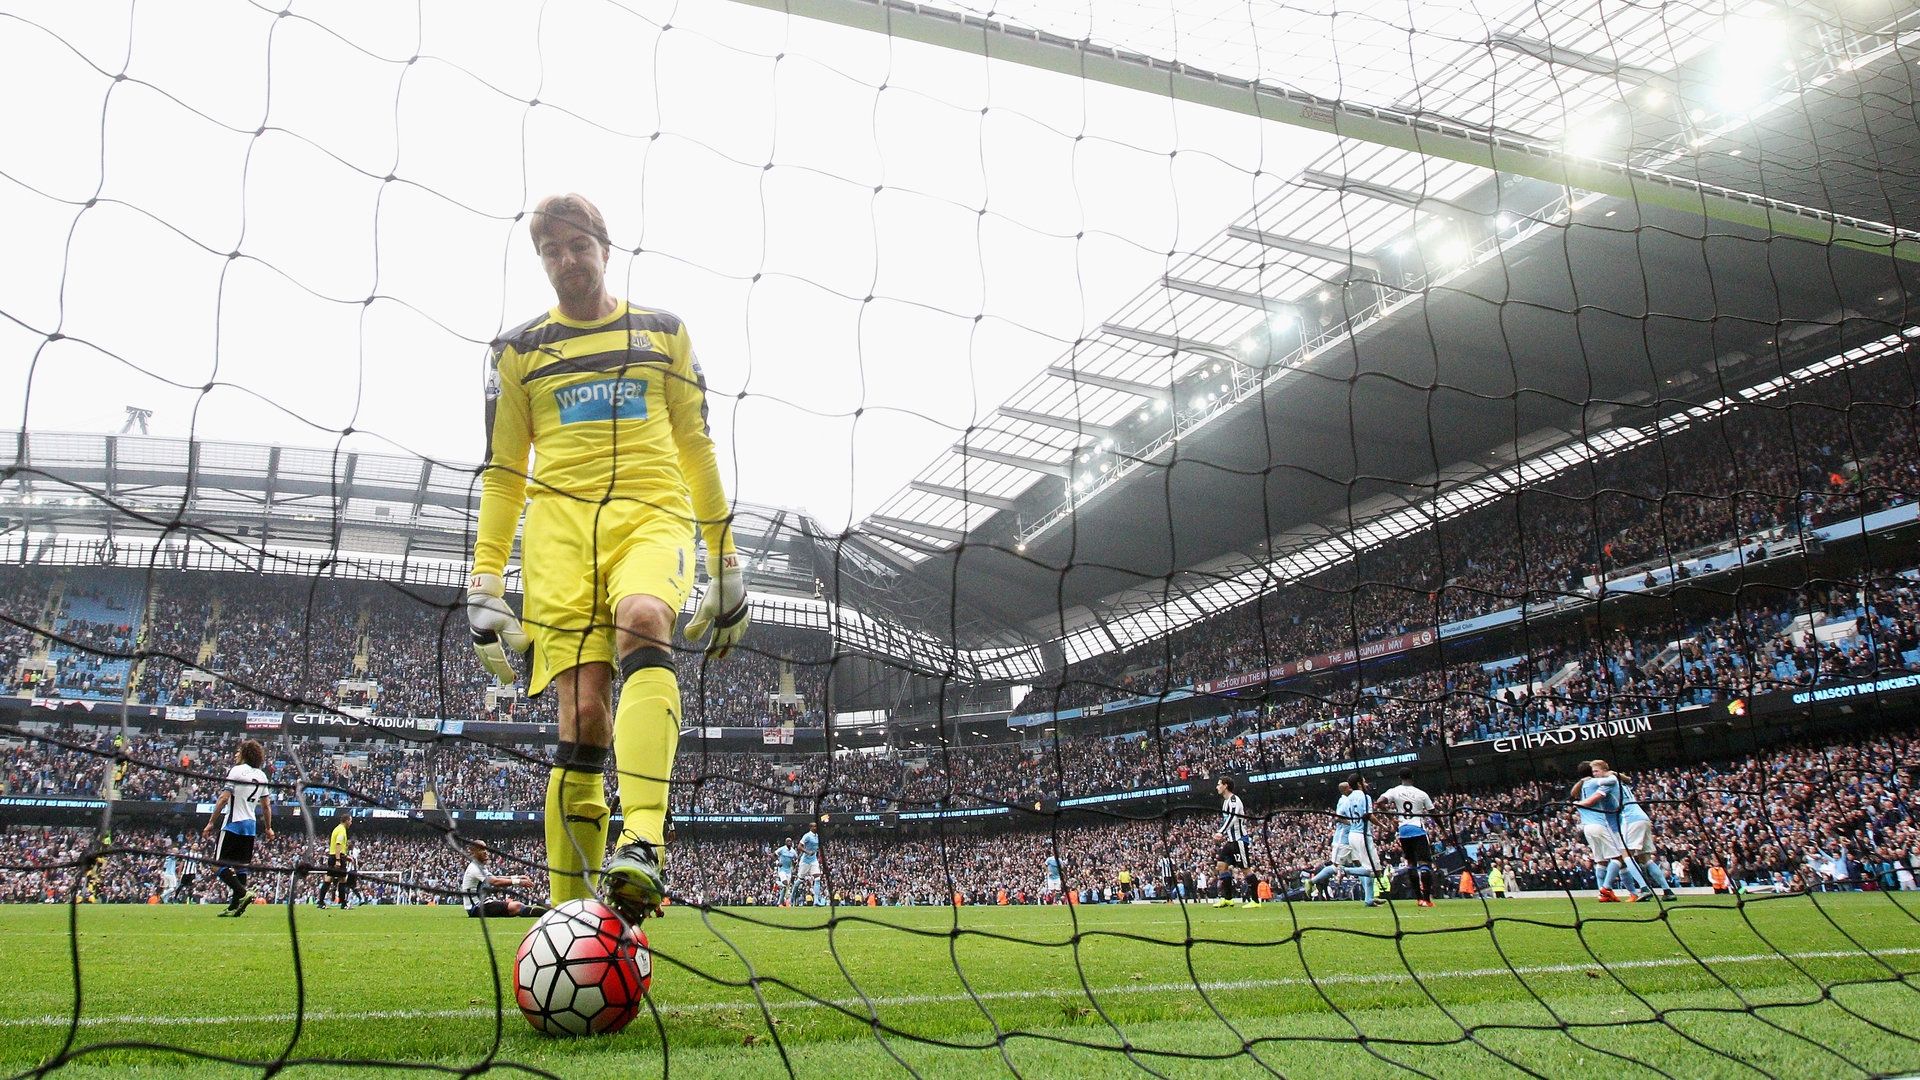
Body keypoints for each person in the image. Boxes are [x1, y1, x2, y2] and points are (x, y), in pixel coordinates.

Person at [464, 193, 751, 923]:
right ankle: (567, 919)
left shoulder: (664, 333)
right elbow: (503, 471)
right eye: (550, 249)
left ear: (605, 247)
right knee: (581, 712)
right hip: (560, 534)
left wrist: (726, 562)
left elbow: (698, 448)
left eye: (577, 245)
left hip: (650, 514)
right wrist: (485, 581)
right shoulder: (518, 351)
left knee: (646, 615)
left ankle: (644, 842)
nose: (566, 260)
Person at [201, 739, 272, 917]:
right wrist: (269, 828)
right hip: (250, 825)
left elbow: (224, 798)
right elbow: (266, 806)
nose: (236, 754)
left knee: (217, 866)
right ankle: (234, 907)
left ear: (245, 754)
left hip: (233, 823)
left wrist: (211, 822)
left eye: (238, 752)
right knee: (240, 868)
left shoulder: (237, 771)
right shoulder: (262, 776)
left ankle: (242, 893)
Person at [1572, 760, 1640, 902]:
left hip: (1587, 827)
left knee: (1601, 861)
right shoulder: (1595, 783)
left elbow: (1573, 793)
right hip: (1601, 825)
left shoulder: (1582, 785)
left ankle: (1602, 893)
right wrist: (1614, 773)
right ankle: (1608, 890)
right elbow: (1612, 780)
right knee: (1618, 858)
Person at [1311, 776, 1381, 906]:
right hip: (1345, 838)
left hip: (1353, 836)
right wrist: (1354, 822)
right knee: (1337, 867)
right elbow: (1338, 817)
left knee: (1363, 867)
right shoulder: (1347, 800)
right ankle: (1312, 881)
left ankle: (1369, 898)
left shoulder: (1350, 799)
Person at [1376, 769, 1437, 907]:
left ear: (1399, 777)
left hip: (1403, 831)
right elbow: (1434, 813)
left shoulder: (1394, 791)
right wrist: (1444, 830)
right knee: (1425, 864)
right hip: (1418, 829)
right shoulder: (1421, 793)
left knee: (1411, 864)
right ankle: (1427, 899)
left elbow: (1379, 802)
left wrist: (1391, 818)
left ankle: (1419, 899)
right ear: (1413, 777)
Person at [461, 842, 538, 918]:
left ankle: (546, 914)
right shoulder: (475, 868)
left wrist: (518, 877)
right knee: (517, 906)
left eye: (485, 849)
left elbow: (495, 878)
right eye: (481, 849)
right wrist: (519, 882)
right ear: (473, 853)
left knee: (514, 905)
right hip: (476, 908)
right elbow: (495, 882)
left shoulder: (478, 866)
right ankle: (546, 915)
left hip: (482, 904)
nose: (485, 852)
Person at [1212, 776, 1250, 908]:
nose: (1217, 787)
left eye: (1218, 784)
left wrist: (1220, 831)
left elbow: (1233, 818)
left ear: (1225, 785)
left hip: (1239, 840)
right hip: (1230, 841)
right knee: (1221, 866)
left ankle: (1255, 900)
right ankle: (1228, 899)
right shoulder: (1225, 802)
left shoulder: (1234, 800)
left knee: (1245, 870)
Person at [321, 813, 353, 909]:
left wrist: (346, 856)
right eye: (350, 821)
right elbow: (338, 844)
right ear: (346, 821)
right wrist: (339, 860)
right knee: (342, 879)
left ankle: (320, 902)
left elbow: (337, 846)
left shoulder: (337, 829)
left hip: (333, 855)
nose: (351, 823)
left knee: (329, 878)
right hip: (337, 857)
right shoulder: (341, 830)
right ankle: (343, 904)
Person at [796, 824, 823, 906]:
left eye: (816, 826)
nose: (816, 828)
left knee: (817, 879)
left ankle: (816, 901)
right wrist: (807, 852)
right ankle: (792, 897)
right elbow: (799, 846)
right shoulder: (807, 836)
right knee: (800, 880)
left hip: (813, 860)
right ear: (810, 828)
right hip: (805, 861)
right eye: (814, 826)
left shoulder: (817, 836)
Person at [774, 837, 797, 906]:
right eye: (788, 841)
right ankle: (777, 883)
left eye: (790, 841)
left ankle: (779, 902)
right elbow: (773, 855)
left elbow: (795, 859)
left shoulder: (793, 851)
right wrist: (777, 862)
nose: (789, 842)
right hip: (782, 870)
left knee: (784, 887)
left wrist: (794, 864)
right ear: (785, 843)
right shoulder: (781, 849)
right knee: (786, 883)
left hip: (788, 870)